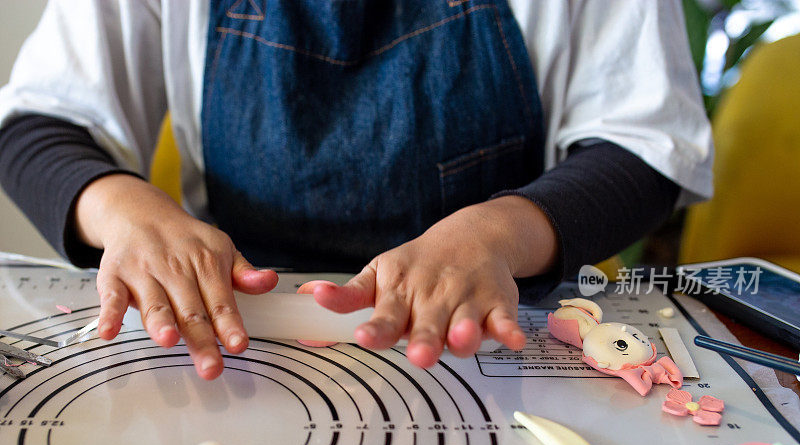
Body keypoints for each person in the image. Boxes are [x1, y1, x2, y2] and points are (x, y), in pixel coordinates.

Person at [0, 0, 712, 379]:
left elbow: (644, 148)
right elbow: (33, 126)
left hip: (493, 344)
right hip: (243, 345)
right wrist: (126, 211)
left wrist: (496, 234)